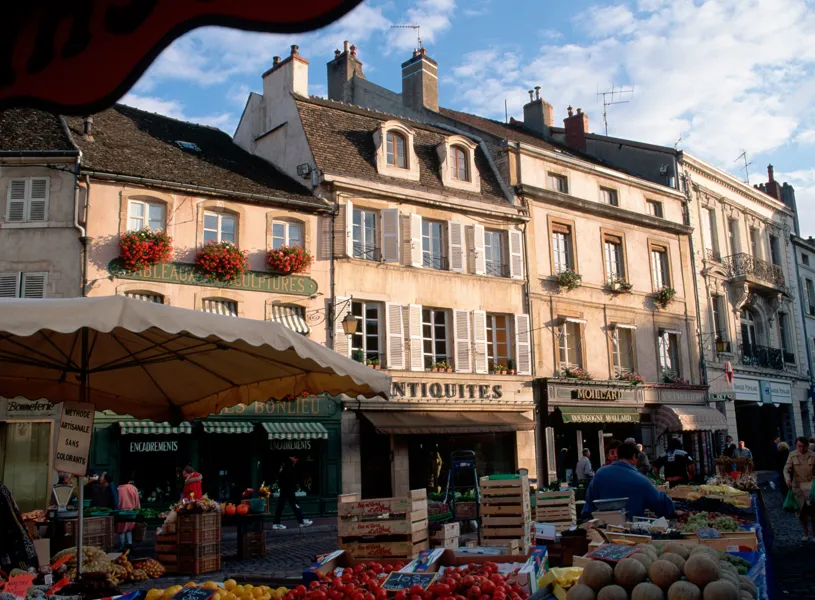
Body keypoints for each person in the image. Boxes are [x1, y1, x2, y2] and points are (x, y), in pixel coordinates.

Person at [582, 442, 676, 519]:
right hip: (631, 532)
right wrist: (675, 509)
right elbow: (659, 503)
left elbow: (589, 503)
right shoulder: (641, 480)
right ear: (634, 456)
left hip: (601, 531)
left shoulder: (599, 473)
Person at [0, 481, 39, 571]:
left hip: (14, 541)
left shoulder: (2, 489)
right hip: (13, 540)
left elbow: (14, 513)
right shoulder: (3, 489)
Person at [784, 436, 815, 541]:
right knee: (801, 512)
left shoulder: (813, 455)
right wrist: (787, 479)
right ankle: (805, 531)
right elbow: (786, 469)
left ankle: (814, 534)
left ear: (807, 446)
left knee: (813, 512)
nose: (801, 449)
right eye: (799, 446)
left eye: (803, 446)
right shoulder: (792, 455)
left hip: (811, 487)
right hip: (798, 488)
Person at [272, 456, 313, 530]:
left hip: (286, 489)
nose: (297, 459)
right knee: (294, 505)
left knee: (283, 506)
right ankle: (301, 521)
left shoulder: (286, 465)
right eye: (296, 458)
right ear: (291, 457)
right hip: (288, 489)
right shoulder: (288, 466)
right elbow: (288, 478)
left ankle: (277, 522)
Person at [116, 479, 141, 550]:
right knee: (129, 528)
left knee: (121, 529)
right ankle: (129, 544)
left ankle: (122, 546)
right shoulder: (133, 488)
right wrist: (138, 510)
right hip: (132, 511)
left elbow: (116, 501)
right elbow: (137, 501)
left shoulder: (118, 489)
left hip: (121, 511)